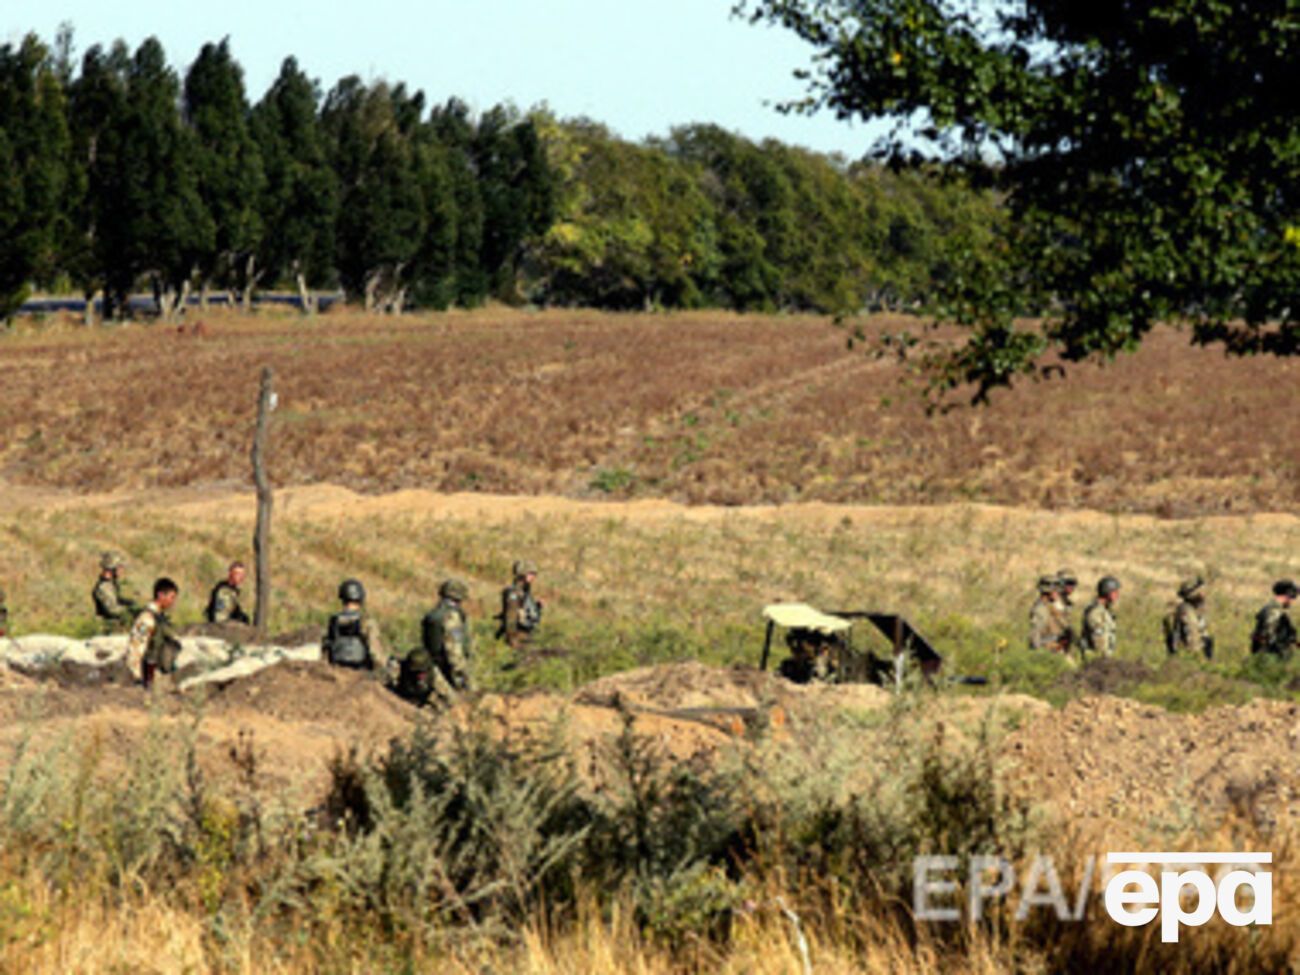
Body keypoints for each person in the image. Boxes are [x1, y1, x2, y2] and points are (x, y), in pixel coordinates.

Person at [421, 579, 473, 706]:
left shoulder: (433, 614)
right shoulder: (451, 617)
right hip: (447, 672)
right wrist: (463, 682)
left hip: (433, 669)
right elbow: (454, 653)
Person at [322, 579, 389, 674]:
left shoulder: (334, 621)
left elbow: (326, 648)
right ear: (361, 598)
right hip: (361, 671)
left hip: (337, 670)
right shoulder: (366, 621)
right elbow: (375, 652)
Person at [130, 577, 182, 689]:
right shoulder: (147, 618)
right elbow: (136, 649)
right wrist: (137, 678)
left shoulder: (159, 618)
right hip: (147, 676)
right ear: (160, 595)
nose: (172, 602)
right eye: (171, 597)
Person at [497, 559, 543, 651]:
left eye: (534, 574)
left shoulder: (524, 591)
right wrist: (513, 641)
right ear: (522, 574)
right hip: (518, 634)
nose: (533, 576)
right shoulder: (515, 593)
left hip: (524, 632)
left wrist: (537, 606)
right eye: (530, 573)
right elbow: (511, 618)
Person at [1165, 577, 1213, 658]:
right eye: (1199, 591)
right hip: (1188, 655)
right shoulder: (1186, 611)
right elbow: (1190, 639)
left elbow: (1203, 630)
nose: (1203, 594)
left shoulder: (1197, 610)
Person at [93, 552, 140, 632]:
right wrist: (132, 610)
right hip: (108, 628)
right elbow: (112, 610)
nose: (122, 570)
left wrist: (131, 603)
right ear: (112, 568)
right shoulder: (104, 587)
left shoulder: (111, 584)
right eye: (119, 567)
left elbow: (117, 600)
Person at [1251, 580, 1298, 659]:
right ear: (1289, 594)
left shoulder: (1271, 608)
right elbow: (1265, 636)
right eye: (1294, 597)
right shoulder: (1274, 611)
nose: (1293, 601)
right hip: (1272, 659)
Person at [1081, 576, 1121, 659]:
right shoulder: (1096, 612)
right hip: (1095, 660)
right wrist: (1104, 659)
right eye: (1115, 592)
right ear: (1107, 591)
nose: (1118, 594)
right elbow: (1098, 641)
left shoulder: (1104, 610)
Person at [1029, 575, 1071, 653]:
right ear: (1047, 590)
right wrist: (1038, 654)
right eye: (1055, 590)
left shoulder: (1050, 605)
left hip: (1056, 647)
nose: (1058, 592)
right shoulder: (1040, 609)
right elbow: (1035, 634)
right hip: (1047, 650)